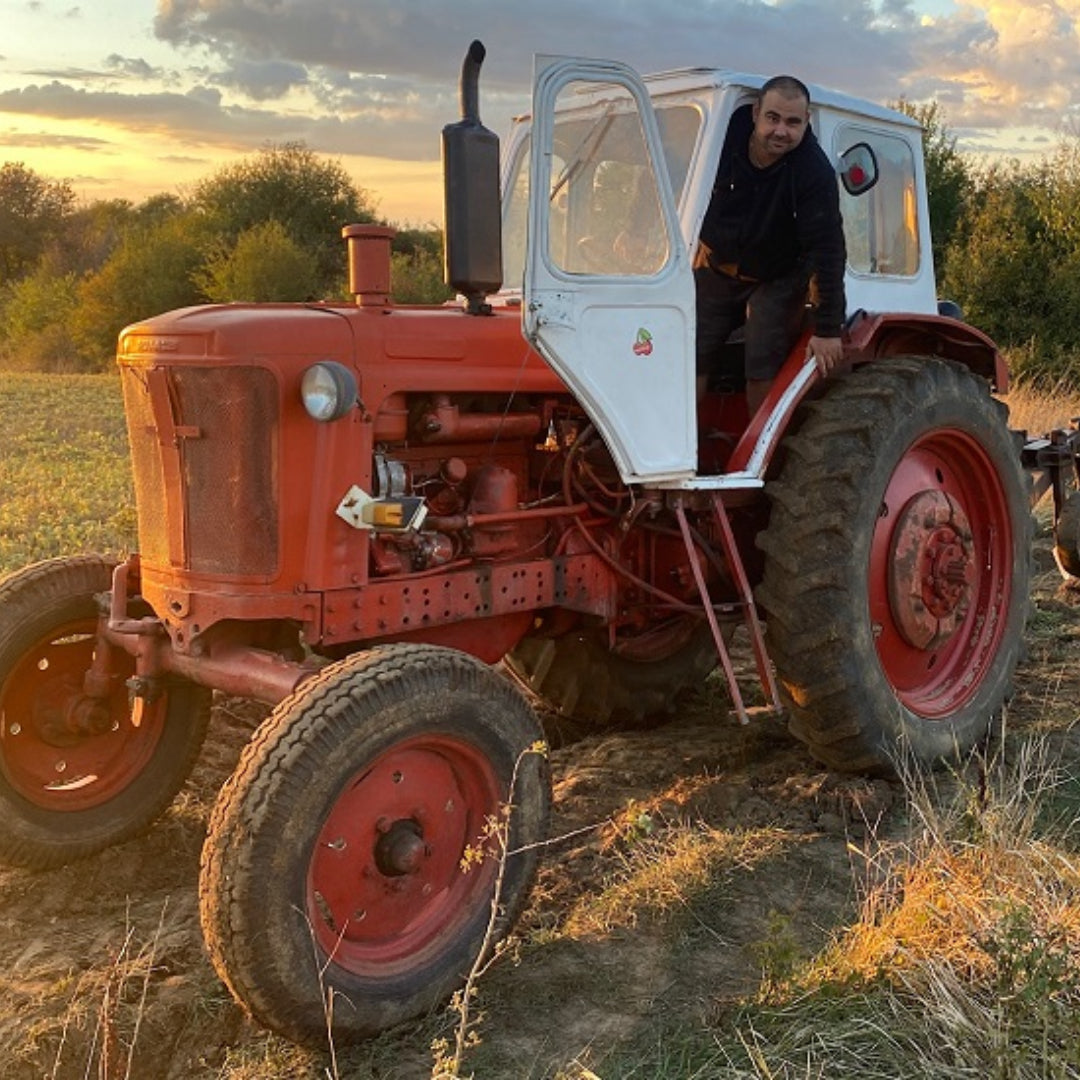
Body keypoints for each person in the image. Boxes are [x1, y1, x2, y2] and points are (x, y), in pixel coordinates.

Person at [696, 75, 846, 416]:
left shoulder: (814, 171)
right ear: (755, 114)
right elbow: (672, 177)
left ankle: (758, 460)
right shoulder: (717, 140)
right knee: (690, 352)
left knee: (762, 358)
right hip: (716, 264)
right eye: (773, 118)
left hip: (778, 274)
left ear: (806, 122)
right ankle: (679, 454)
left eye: (793, 122)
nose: (781, 131)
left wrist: (827, 328)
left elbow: (827, 248)